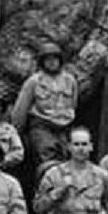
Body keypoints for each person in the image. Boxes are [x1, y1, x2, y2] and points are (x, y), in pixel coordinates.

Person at [12, 41, 78, 178]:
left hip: (64, 127)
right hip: (42, 126)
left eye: (55, 59)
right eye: (48, 60)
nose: (52, 63)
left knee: (69, 161)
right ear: (42, 62)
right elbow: (21, 109)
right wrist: (16, 133)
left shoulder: (70, 80)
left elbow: (73, 104)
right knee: (48, 161)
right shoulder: (34, 81)